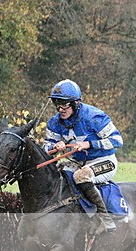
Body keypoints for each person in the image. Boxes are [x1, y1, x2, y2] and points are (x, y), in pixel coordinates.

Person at [43, 79, 121, 232]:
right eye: (56, 103)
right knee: (55, 175)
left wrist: (89, 144)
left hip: (104, 160)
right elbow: (45, 148)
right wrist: (54, 147)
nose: (60, 109)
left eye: (64, 104)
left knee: (81, 176)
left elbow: (117, 140)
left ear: (76, 103)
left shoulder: (94, 117)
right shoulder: (54, 123)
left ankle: (106, 219)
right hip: (76, 162)